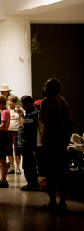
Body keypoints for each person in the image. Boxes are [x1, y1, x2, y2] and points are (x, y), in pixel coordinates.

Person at [38, 78, 74, 212]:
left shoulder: (47, 102)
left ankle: (53, 202)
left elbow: (48, 123)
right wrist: (65, 141)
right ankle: (62, 201)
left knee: (51, 174)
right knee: (61, 174)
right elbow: (70, 123)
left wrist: (51, 141)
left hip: (50, 144)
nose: (43, 88)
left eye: (46, 86)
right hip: (61, 143)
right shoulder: (63, 101)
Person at [18, 95, 39, 191]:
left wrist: (21, 115)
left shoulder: (34, 114)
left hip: (28, 143)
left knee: (29, 165)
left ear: (29, 104)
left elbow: (25, 126)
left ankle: (32, 184)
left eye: (23, 105)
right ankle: (31, 183)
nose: (22, 107)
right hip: (24, 142)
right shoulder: (27, 113)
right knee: (26, 164)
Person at [0, 95, 10, 188]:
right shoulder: (6, 111)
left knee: (2, 160)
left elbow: (3, 126)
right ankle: (3, 179)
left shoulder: (4, 112)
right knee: (1, 159)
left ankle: (4, 180)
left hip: (2, 135)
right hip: (3, 135)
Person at [6, 95, 24, 174]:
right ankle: (11, 167)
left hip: (16, 131)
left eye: (11, 101)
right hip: (8, 131)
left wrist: (19, 113)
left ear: (14, 102)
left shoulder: (19, 110)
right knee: (8, 149)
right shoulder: (6, 110)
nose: (9, 103)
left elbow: (21, 120)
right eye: (8, 101)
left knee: (17, 150)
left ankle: (17, 168)